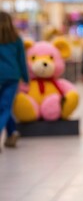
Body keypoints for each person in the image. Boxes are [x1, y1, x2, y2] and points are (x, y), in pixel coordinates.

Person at [0, 11, 29, 150]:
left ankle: (12, 133)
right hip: (11, 77)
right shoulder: (16, 39)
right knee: (5, 107)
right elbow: (22, 61)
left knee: (4, 107)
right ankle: (10, 133)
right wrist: (26, 79)